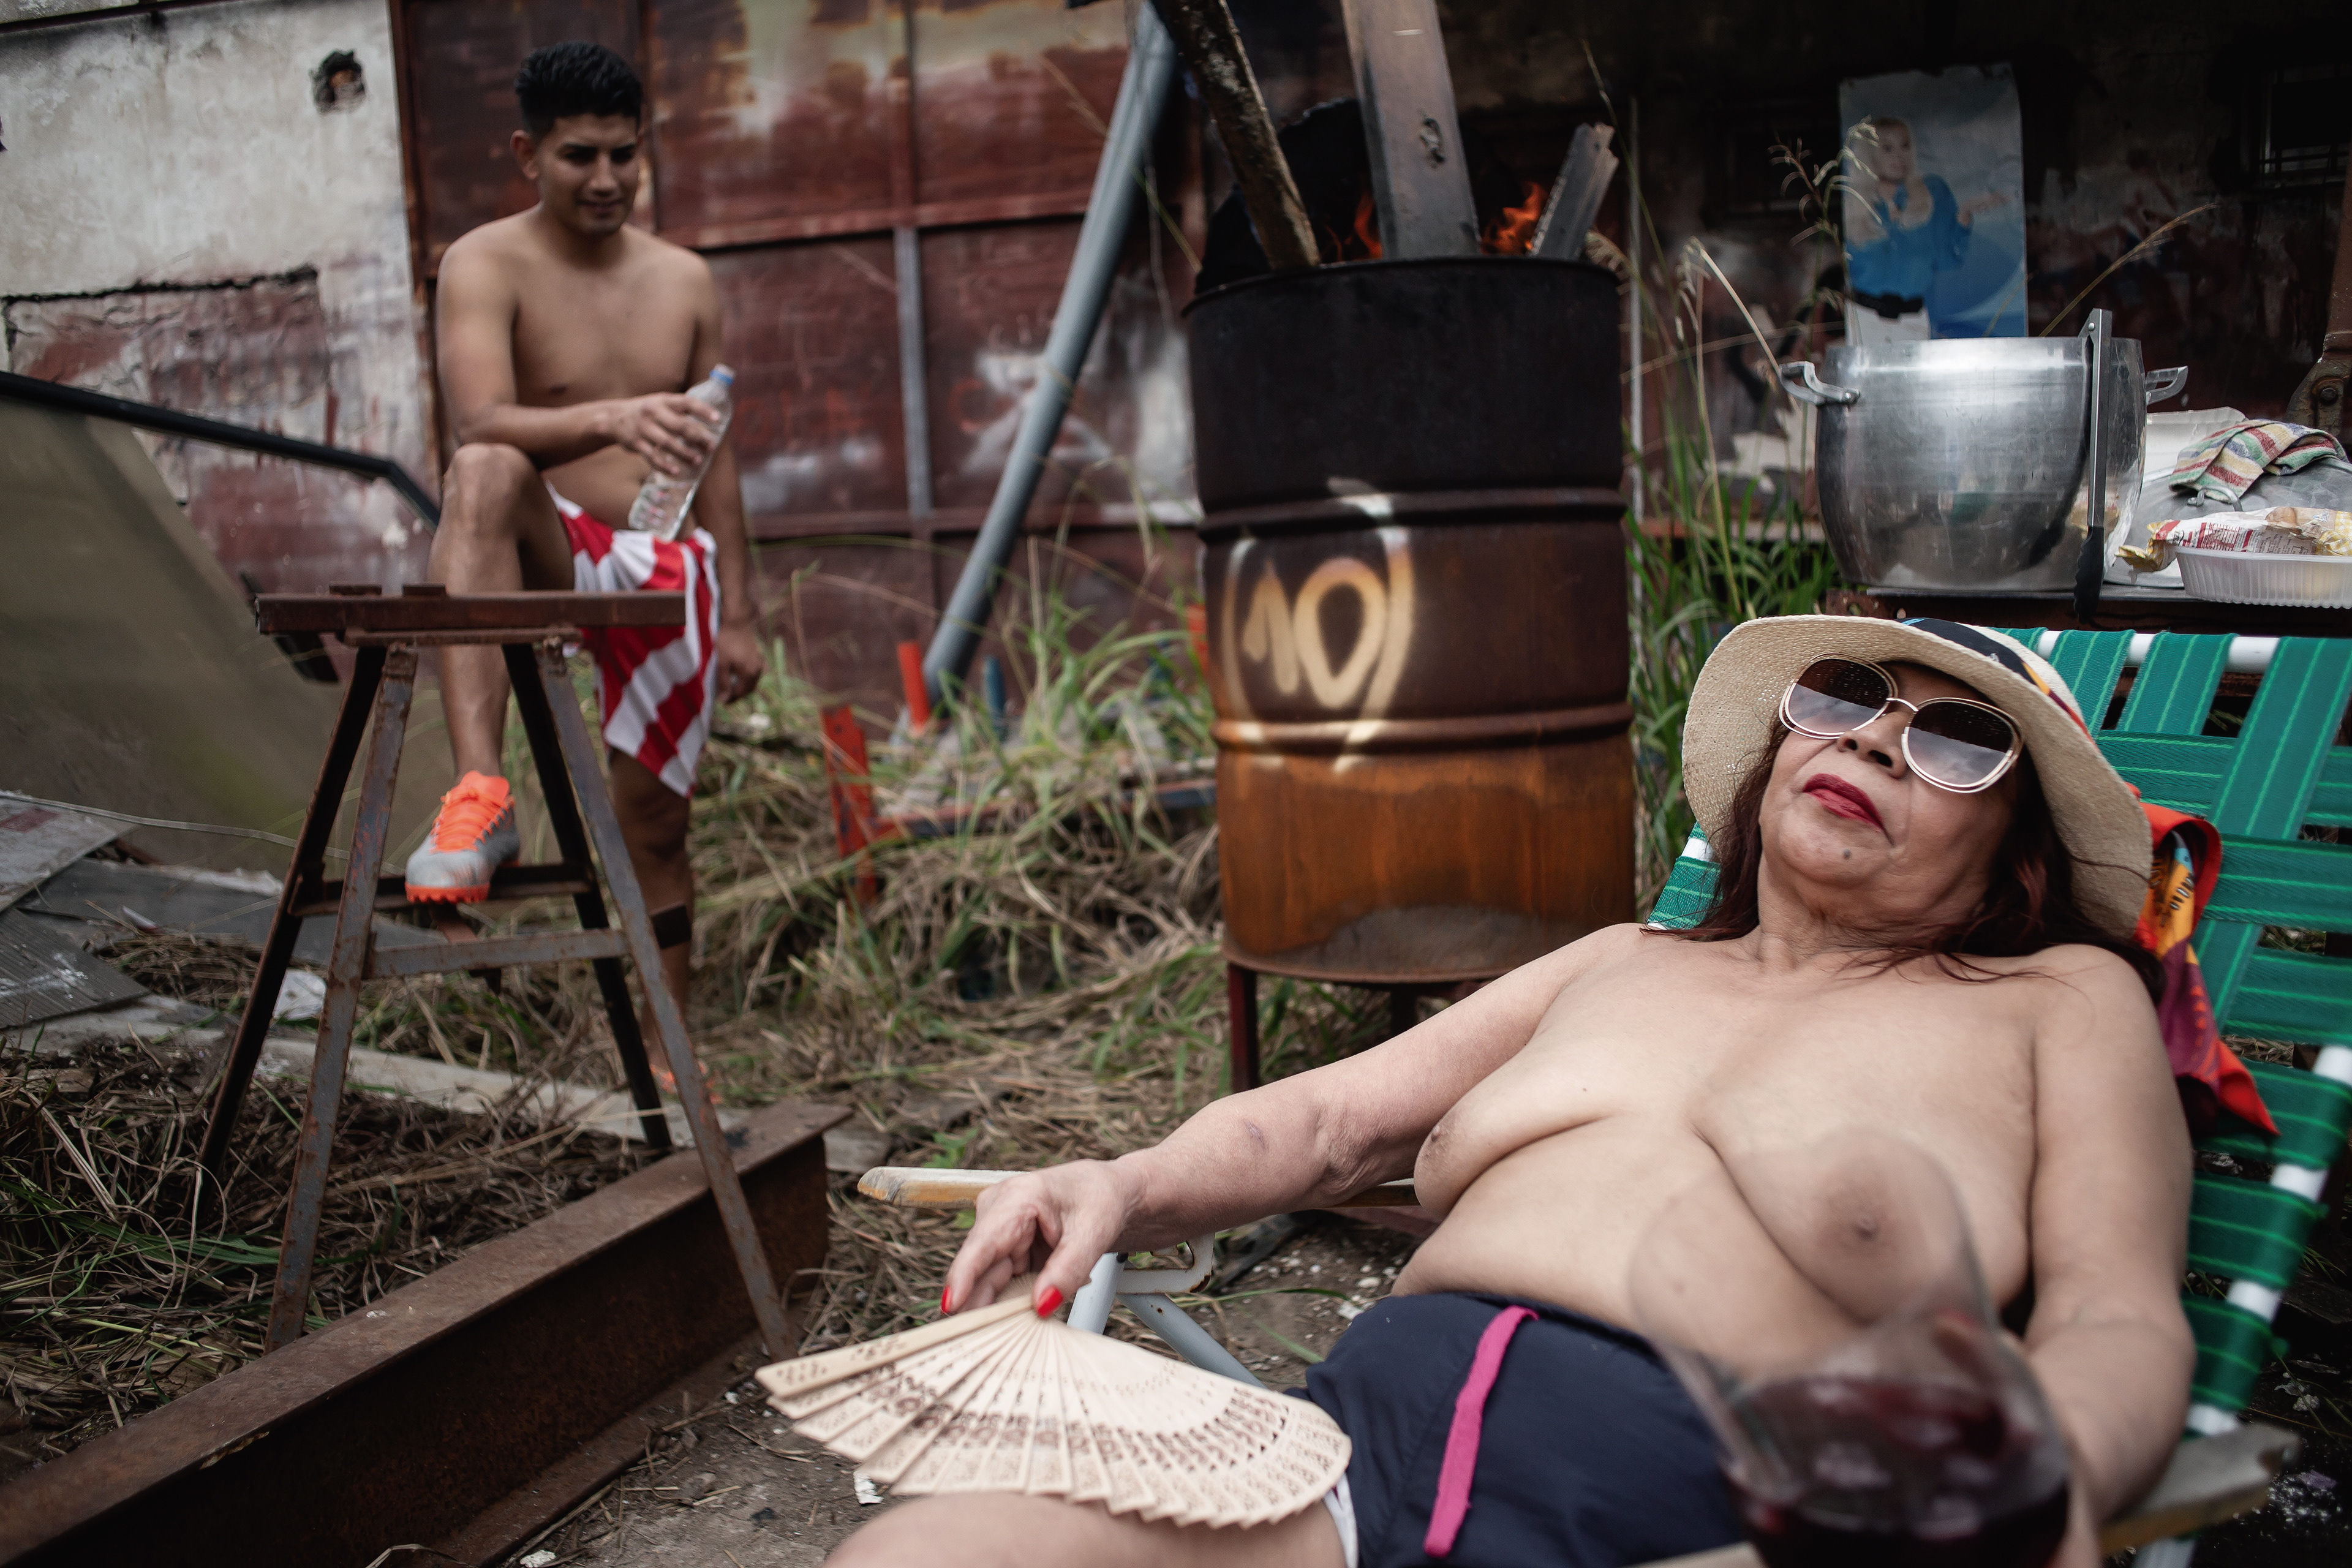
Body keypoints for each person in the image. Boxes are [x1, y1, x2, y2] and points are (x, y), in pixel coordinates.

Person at [832, 616, 2193, 1568]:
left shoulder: (2058, 1003)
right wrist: (1119, 1185)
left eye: (1959, 743)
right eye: (1845, 698)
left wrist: (2035, 1479)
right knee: (921, 1551)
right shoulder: (1621, 960)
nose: (1880, 742)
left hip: (1718, 1512)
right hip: (1348, 1465)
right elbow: (1326, 1124)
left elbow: (2117, 1312)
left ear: (2014, 848)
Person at [405, 41, 763, 1031]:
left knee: (656, 824)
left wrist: (743, 614)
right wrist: (613, 417)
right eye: (578, 156)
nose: (606, 178)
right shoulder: (483, 262)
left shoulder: (686, 280)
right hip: (554, 543)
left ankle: (666, 1040)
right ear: (529, 154)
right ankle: (482, 795)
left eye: (623, 154)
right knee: (483, 470)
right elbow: (481, 421)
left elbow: (716, 456)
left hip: (664, 562)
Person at [1842, 117, 2010, 345]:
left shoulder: (1932, 195)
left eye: (1905, 146)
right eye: (1888, 149)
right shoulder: (1853, 204)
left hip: (1912, 319)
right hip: (1862, 317)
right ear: (1869, 154)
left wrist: (1964, 215)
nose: (1899, 156)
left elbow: (1948, 261)